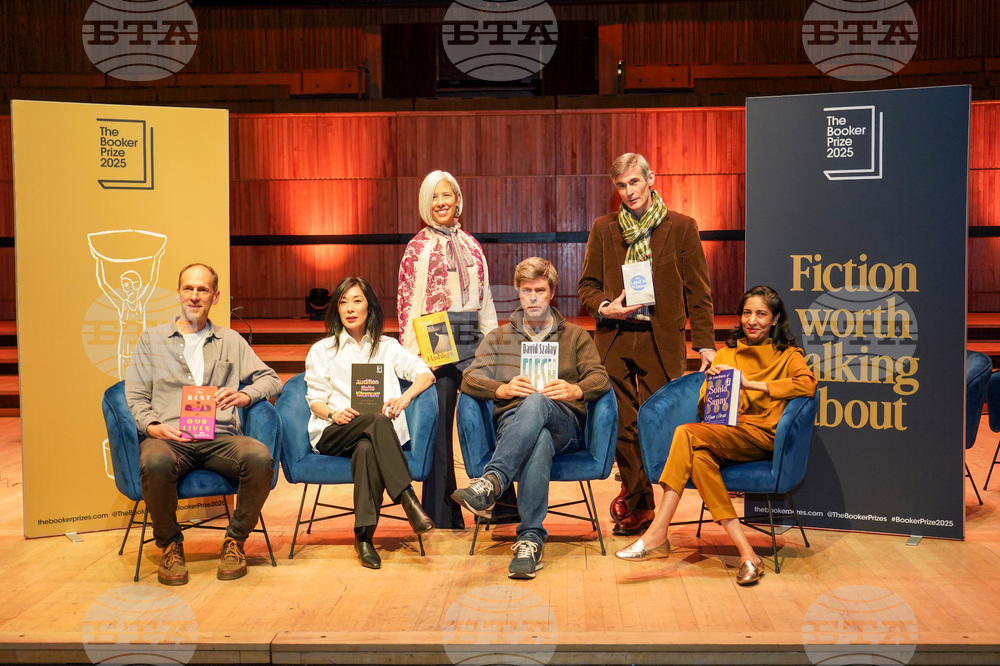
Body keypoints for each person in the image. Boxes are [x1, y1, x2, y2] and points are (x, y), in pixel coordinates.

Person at [615, 285, 817, 585]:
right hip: (727, 433)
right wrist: (713, 388)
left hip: (763, 436)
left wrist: (755, 386)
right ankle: (747, 553)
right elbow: (708, 410)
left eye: (761, 314)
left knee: (685, 433)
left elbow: (808, 386)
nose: (753, 320)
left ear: (775, 319)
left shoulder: (788, 355)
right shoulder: (726, 353)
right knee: (698, 457)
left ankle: (658, 532)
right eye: (747, 313)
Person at [578, 152, 716, 537]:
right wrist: (608, 307)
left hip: (662, 340)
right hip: (617, 338)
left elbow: (698, 293)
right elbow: (587, 286)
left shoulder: (682, 227)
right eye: (621, 186)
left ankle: (663, 501)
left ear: (650, 179)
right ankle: (639, 504)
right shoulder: (604, 229)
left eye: (634, 182)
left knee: (659, 424)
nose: (628, 192)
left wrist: (705, 343)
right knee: (622, 425)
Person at [125, 263, 282, 586]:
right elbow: (136, 396)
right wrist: (152, 426)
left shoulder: (231, 340)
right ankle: (170, 545)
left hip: (219, 436)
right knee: (153, 460)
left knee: (259, 457)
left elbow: (271, 379)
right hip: (169, 436)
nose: (195, 296)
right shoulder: (151, 341)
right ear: (178, 292)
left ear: (216, 296)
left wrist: (244, 395)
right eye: (188, 288)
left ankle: (235, 541)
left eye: (203, 290)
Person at [453, 258, 610, 579]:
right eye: (527, 291)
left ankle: (492, 481)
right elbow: (470, 379)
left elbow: (600, 379)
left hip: (563, 426)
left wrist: (574, 389)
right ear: (518, 294)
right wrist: (503, 388)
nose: (534, 297)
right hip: (515, 427)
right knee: (535, 439)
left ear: (552, 293)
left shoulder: (575, 337)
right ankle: (530, 541)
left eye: (540, 290)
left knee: (539, 401)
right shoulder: (498, 338)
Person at [305, 276, 437, 569]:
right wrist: (332, 414)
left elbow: (425, 374)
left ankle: (363, 537)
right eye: (343, 302)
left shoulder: (387, 347)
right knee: (376, 421)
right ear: (336, 309)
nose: (350, 308)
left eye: (357, 300)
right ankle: (407, 499)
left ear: (369, 307)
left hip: (374, 434)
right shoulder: (323, 350)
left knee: (367, 446)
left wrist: (405, 399)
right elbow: (314, 399)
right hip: (334, 430)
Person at [398, 170, 501, 529]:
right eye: (434, 197)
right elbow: (408, 303)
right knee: (439, 426)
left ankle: (500, 504)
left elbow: (484, 300)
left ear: (458, 199)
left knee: (486, 416)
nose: (441, 203)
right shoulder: (417, 247)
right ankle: (443, 513)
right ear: (426, 204)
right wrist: (413, 357)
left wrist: (492, 344)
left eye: (447, 196)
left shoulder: (472, 244)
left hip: (471, 338)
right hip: (435, 341)